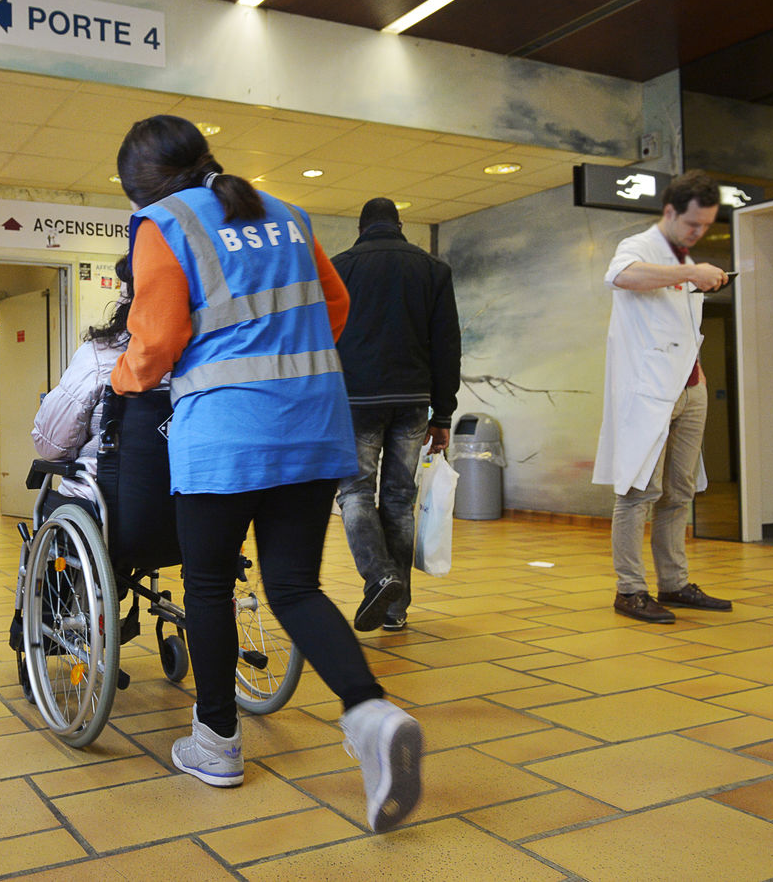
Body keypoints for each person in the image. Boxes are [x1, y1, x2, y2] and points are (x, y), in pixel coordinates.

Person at [109, 114, 422, 833]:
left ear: (141, 188)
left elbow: (156, 342)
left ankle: (217, 743)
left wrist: (125, 381)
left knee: (208, 586)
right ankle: (370, 712)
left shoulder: (164, 223)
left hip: (225, 434)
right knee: (294, 587)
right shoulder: (287, 213)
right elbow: (335, 308)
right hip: (313, 423)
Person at [593, 169, 734, 623]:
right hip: (648, 390)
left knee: (679, 491)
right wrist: (691, 271)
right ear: (670, 212)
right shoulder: (638, 246)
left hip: (689, 388)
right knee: (639, 490)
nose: (698, 233)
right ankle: (629, 589)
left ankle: (673, 583)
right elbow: (620, 276)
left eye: (706, 226)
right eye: (692, 224)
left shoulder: (682, 259)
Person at [332, 198, 462, 633]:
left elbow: (323, 340)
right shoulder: (432, 269)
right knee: (399, 498)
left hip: (355, 401)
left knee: (355, 492)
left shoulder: (340, 267)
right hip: (412, 401)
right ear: (400, 225)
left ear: (361, 228)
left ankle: (379, 576)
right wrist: (443, 414)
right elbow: (447, 346)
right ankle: (396, 607)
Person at [32, 257, 154, 500]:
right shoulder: (198, 358)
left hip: (103, 496)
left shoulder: (100, 356)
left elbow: (51, 445)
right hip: (176, 501)